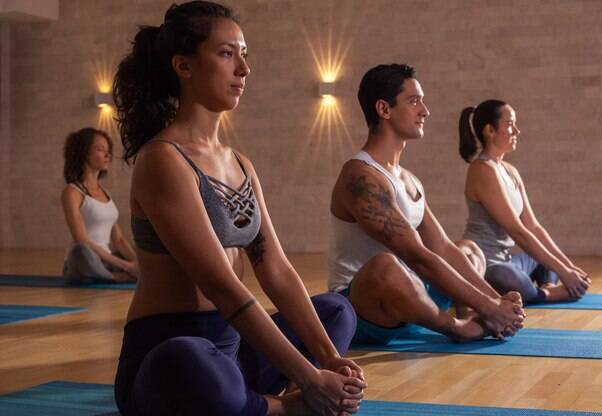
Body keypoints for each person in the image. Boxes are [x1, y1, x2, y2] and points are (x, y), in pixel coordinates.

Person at [111, 2, 365, 415]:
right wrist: (307, 376)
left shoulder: (239, 163)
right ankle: (281, 409)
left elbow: (276, 269)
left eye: (244, 54)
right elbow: (222, 286)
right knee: (192, 361)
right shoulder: (163, 160)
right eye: (227, 53)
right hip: (168, 360)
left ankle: (252, 401)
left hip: (229, 350)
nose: (244, 69)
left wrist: (328, 358)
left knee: (336, 311)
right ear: (184, 66)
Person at [328, 64, 526, 346]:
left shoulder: (410, 179)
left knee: (468, 250)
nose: (425, 110)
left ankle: (472, 313)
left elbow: (442, 247)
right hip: (365, 307)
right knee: (386, 266)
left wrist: (494, 299)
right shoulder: (360, 175)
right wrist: (490, 307)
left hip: (412, 295)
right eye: (414, 101)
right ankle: (459, 327)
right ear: (384, 109)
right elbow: (417, 255)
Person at [459, 99, 591, 303]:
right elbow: (517, 231)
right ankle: (545, 294)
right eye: (510, 124)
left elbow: (533, 227)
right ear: (490, 131)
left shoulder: (510, 171)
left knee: (543, 253)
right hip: (488, 266)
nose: (517, 131)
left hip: (509, 261)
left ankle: (547, 286)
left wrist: (570, 269)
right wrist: (564, 274)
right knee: (507, 277)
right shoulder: (481, 170)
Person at [61, 127, 139, 284]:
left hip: (106, 262)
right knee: (80, 251)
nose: (107, 155)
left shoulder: (105, 194)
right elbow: (81, 239)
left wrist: (139, 263)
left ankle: (109, 275)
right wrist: (126, 266)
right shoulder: (72, 192)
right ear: (83, 153)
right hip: (83, 262)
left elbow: (119, 239)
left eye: (108, 150)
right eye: (99, 149)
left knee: (136, 250)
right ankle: (116, 277)